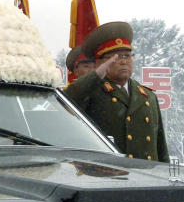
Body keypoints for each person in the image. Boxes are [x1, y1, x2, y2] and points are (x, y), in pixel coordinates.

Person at [64, 21, 169, 161]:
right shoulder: (90, 91)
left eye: (127, 56)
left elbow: (160, 147)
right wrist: (96, 75)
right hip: (106, 176)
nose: (123, 61)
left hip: (147, 177)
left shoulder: (147, 96)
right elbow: (66, 101)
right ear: (99, 63)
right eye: (115, 57)